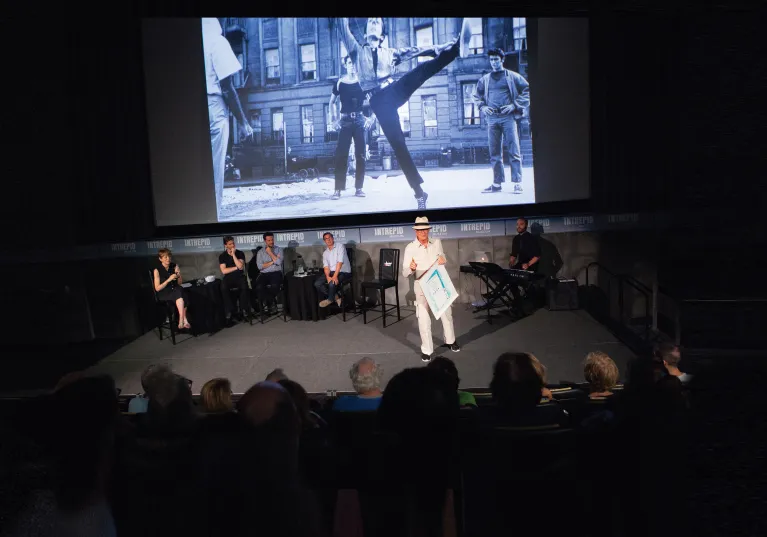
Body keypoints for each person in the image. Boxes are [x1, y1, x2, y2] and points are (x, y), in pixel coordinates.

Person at [337, 17, 473, 210]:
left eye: (377, 21)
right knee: (399, 145)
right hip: (379, 102)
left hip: (394, 90)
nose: (374, 22)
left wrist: (445, 46)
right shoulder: (357, 51)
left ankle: (456, 49)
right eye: (370, 21)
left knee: (422, 70)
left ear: (383, 34)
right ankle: (419, 193)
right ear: (366, 33)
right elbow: (343, 30)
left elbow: (419, 50)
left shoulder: (391, 53)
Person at [201, 18, 253, 221]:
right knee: (214, 171)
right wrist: (242, 121)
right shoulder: (216, 40)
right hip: (213, 107)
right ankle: (211, 217)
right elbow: (227, 88)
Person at [472, 48, 530, 194]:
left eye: (496, 59)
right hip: (492, 119)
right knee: (494, 152)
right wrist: (483, 106)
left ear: (502, 60)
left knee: (513, 150)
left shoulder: (512, 76)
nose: (494, 62)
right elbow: (475, 96)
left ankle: (517, 183)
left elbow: (528, 90)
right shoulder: (485, 79)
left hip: (508, 118)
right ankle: (497, 183)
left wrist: (514, 105)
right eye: (491, 60)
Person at [402, 217, 460, 362]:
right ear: (416, 232)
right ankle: (427, 350)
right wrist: (411, 268)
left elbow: (442, 257)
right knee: (423, 318)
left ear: (428, 230)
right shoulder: (410, 247)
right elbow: (404, 272)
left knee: (447, 313)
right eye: (420, 230)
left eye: (425, 229)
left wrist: (443, 259)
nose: (423, 232)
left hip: (437, 281)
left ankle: (451, 341)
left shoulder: (437, 243)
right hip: (421, 284)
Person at [329, 55, 375, 200]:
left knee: (360, 154)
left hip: (360, 121)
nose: (352, 66)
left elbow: (375, 100)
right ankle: (338, 189)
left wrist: (372, 118)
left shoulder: (363, 83)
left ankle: (359, 188)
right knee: (341, 154)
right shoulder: (339, 83)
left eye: (355, 64)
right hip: (345, 122)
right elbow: (331, 102)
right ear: (345, 65)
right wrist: (334, 120)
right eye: (350, 63)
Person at [152, 248, 190, 330]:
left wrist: (179, 275)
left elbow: (179, 283)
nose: (168, 259)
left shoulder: (174, 266)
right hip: (164, 293)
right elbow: (157, 288)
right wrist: (169, 279)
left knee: (180, 290)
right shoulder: (157, 270)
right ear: (160, 259)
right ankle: (184, 319)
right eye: (165, 257)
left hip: (175, 291)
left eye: (169, 256)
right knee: (181, 293)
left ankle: (181, 319)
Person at [219, 235, 252, 324]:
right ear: (226, 245)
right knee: (223, 287)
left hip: (239, 276)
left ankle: (244, 311)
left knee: (244, 287)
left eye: (233, 243)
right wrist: (236, 268)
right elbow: (224, 271)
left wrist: (233, 255)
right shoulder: (222, 256)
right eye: (230, 244)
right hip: (228, 278)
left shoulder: (240, 253)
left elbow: (241, 266)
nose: (233, 245)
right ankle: (230, 311)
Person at [508, 217, 541, 304]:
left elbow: (537, 256)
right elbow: (514, 254)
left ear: (526, 225)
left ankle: (521, 299)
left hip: (530, 266)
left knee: (518, 278)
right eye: (517, 224)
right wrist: (511, 261)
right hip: (520, 265)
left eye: (521, 224)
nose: (518, 226)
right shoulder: (516, 239)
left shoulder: (531, 238)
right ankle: (516, 299)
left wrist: (528, 264)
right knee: (507, 276)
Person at [314, 232, 352, 308]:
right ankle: (335, 296)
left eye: (329, 238)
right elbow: (326, 267)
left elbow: (340, 263)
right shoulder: (325, 253)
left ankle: (330, 299)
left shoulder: (340, 246)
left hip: (343, 271)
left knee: (332, 283)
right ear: (324, 241)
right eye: (326, 239)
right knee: (317, 284)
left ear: (333, 238)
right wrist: (328, 277)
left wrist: (334, 276)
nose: (328, 240)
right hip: (331, 272)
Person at [255, 232, 283, 314]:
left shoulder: (279, 249)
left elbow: (278, 262)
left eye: (272, 239)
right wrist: (272, 262)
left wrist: (270, 252)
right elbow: (260, 266)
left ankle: (269, 303)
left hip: (276, 272)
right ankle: (271, 301)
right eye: (269, 240)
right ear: (265, 241)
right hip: (264, 274)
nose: (271, 241)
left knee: (274, 286)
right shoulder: (260, 252)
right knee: (259, 287)